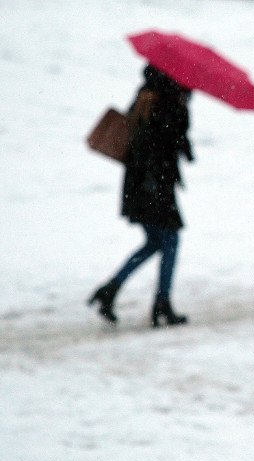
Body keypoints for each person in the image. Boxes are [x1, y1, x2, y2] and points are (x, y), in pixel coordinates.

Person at [88, 65, 193, 327]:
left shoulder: (146, 95)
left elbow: (147, 138)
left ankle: (111, 290)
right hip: (154, 184)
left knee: (157, 241)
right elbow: (160, 141)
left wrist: (180, 143)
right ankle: (161, 303)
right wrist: (181, 141)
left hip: (139, 183)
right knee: (168, 240)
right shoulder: (170, 101)